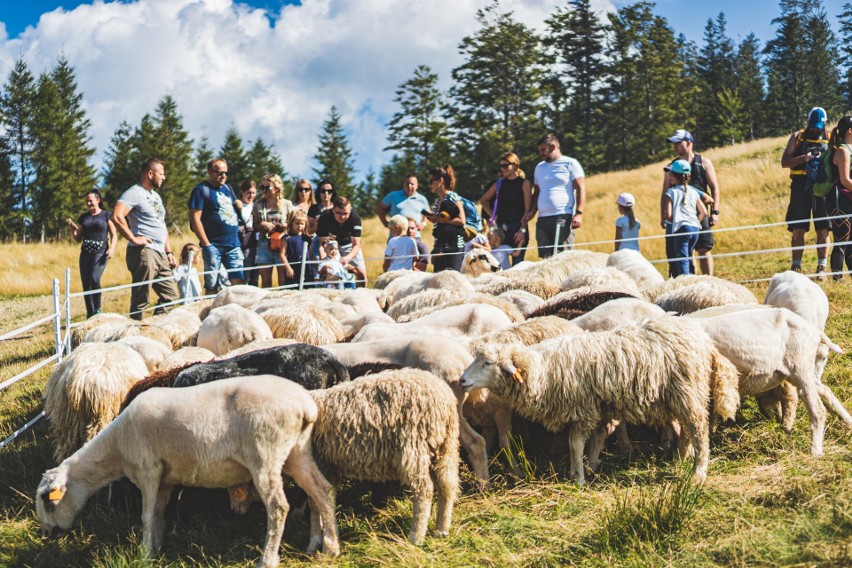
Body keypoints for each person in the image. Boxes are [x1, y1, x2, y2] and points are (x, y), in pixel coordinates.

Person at [112, 158, 179, 320]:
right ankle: (135, 335)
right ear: (150, 173)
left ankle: (154, 328)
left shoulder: (156, 196)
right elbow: (117, 215)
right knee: (141, 298)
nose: (164, 177)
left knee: (172, 295)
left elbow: (161, 225)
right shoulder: (134, 193)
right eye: (161, 174)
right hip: (144, 252)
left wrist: (168, 251)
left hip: (160, 252)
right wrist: (134, 239)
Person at [661, 129, 720, 275]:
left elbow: (714, 189)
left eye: (678, 143)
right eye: (673, 143)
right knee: (686, 251)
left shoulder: (704, 163)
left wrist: (715, 212)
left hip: (701, 212)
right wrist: (663, 216)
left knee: (704, 248)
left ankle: (708, 280)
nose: (675, 146)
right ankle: (691, 280)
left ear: (689, 143)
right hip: (679, 215)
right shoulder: (671, 167)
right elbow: (665, 192)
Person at [782, 107, 831, 276]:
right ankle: (796, 266)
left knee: (823, 229)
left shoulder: (830, 137)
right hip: (800, 187)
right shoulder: (798, 137)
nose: (816, 129)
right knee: (798, 229)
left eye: (819, 126)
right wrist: (804, 158)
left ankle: (822, 267)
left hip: (821, 188)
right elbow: (785, 162)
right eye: (813, 125)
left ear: (825, 123)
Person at [188, 158, 245, 295]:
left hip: (233, 243)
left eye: (225, 173)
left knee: (238, 282)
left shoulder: (228, 188)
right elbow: (195, 218)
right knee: (212, 285)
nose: (223, 176)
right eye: (219, 173)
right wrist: (206, 244)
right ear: (209, 172)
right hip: (214, 245)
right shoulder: (201, 190)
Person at [526, 133, 586, 258]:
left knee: (563, 258)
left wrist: (579, 213)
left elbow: (581, 188)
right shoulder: (539, 167)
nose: (540, 153)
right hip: (542, 219)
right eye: (539, 150)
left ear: (553, 147)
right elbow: (536, 192)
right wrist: (532, 211)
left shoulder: (570, 163)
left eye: (543, 150)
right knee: (545, 259)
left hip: (562, 216)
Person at [66, 190, 118, 318]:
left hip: (100, 252)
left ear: (98, 200)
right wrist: (73, 228)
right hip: (85, 253)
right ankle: (90, 313)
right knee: (86, 283)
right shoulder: (84, 217)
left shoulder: (106, 215)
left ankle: (97, 308)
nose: (88, 203)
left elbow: (114, 234)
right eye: (87, 201)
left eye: (91, 201)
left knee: (95, 278)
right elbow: (78, 238)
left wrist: (111, 248)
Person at [480, 152, 532, 264]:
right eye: (500, 166)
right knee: (499, 266)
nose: (502, 169)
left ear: (515, 165)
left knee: (518, 265)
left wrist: (522, 230)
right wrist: (492, 215)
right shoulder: (499, 184)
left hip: (518, 229)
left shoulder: (525, 184)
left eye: (505, 165)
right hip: (501, 231)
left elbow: (527, 211)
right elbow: (483, 200)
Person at [663, 160, 708, 277]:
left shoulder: (670, 192)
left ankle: (685, 284)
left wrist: (678, 222)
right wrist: (694, 221)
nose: (669, 176)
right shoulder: (694, 192)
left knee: (681, 259)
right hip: (695, 229)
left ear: (673, 175)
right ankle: (690, 279)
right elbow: (704, 212)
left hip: (681, 229)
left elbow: (667, 215)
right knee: (688, 257)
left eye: (671, 174)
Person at [252, 173, 295, 288]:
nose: (264, 190)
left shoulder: (287, 204)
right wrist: (262, 224)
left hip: (282, 245)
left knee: (283, 280)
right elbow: (254, 225)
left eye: (267, 188)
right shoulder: (258, 205)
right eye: (262, 187)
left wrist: (286, 226)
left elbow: (294, 224)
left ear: (277, 188)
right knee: (265, 282)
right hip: (264, 244)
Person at [316, 196, 367, 286]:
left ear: (350, 210)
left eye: (345, 213)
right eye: (338, 213)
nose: (342, 216)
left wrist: (347, 258)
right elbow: (322, 244)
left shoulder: (355, 218)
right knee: (325, 272)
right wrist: (324, 259)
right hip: (330, 244)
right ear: (333, 209)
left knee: (361, 274)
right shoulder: (324, 217)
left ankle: (360, 296)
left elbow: (356, 245)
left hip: (349, 244)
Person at [424, 165, 466, 272]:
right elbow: (438, 228)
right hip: (440, 247)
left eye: (431, 181)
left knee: (452, 280)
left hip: (454, 246)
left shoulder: (452, 197)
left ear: (440, 180)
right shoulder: (437, 202)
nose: (429, 185)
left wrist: (439, 219)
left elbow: (462, 221)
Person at [826, 116, 852, 280]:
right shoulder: (842, 151)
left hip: (847, 197)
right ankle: (837, 280)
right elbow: (844, 180)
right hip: (839, 199)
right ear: (850, 130)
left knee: (850, 242)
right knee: (841, 240)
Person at [280, 210, 314, 288]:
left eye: (302, 224)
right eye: (297, 223)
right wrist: (288, 268)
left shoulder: (307, 239)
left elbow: (311, 255)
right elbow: (282, 255)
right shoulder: (287, 238)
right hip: (293, 269)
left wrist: (317, 266)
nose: (299, 226)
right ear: (291, 223)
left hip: (307, 269)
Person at [308, 179, 336, 263]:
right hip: (318, 241)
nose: (326, 193)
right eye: (323, 191)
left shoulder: (337, 207)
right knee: (320, 269)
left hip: (336, 241)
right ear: (319, 192)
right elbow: (309, 231)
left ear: (333, 193)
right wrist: (315, 225)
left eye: (329, 191)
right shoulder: (313, 208)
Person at [238, 179, 258, 286]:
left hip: (256, 243)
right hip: (244, 244)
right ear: (242, 192)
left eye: (253, 193)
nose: (251, 196)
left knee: (255, 277)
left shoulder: (256, 205)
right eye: (248, 193)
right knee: (245, 275)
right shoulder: (237, 205)